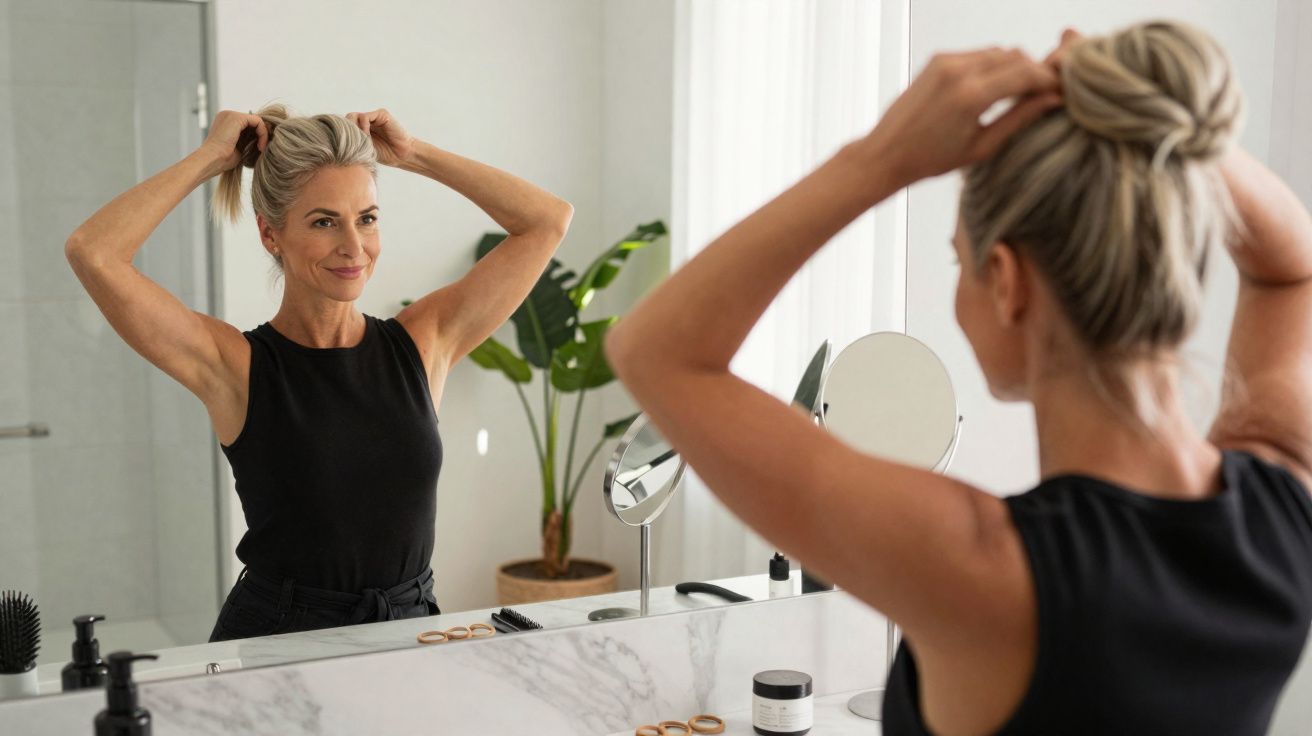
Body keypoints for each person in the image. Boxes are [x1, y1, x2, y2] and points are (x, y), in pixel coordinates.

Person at [607, 21, 1312, 735]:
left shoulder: (984, 573)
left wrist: (881, 157)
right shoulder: (1283, 513)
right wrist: (1158, 133)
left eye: (958, 261)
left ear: (1007, 283)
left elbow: (653, 350)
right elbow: (1293, 271)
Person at [65, 105, 572, 642]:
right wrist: (210, 159)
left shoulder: (423, 343)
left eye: (367, 218)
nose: (354, 246)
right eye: (324, 221)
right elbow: (94, 253)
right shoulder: (235, 365)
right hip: (282, 637)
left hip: (411, 628)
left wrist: (413, 154)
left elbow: (546, 221)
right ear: (270, 235)